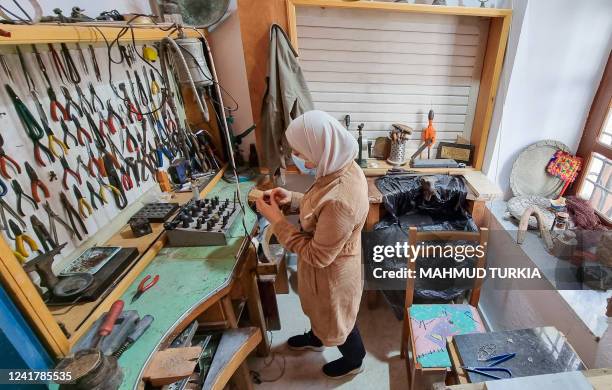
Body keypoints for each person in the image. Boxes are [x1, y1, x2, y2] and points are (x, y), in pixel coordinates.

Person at [256, 110, 370, 379]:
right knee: (320, 312)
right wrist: (293, 199)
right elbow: (320, 204)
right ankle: (317, 336)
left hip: (332, 273)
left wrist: (275, 221)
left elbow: (318, 256)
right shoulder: (340, 163)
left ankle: (355, 359)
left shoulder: (342, 199)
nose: (302, 159)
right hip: (325, 263)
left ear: (323, 145)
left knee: (339, 319)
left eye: (304, 153)